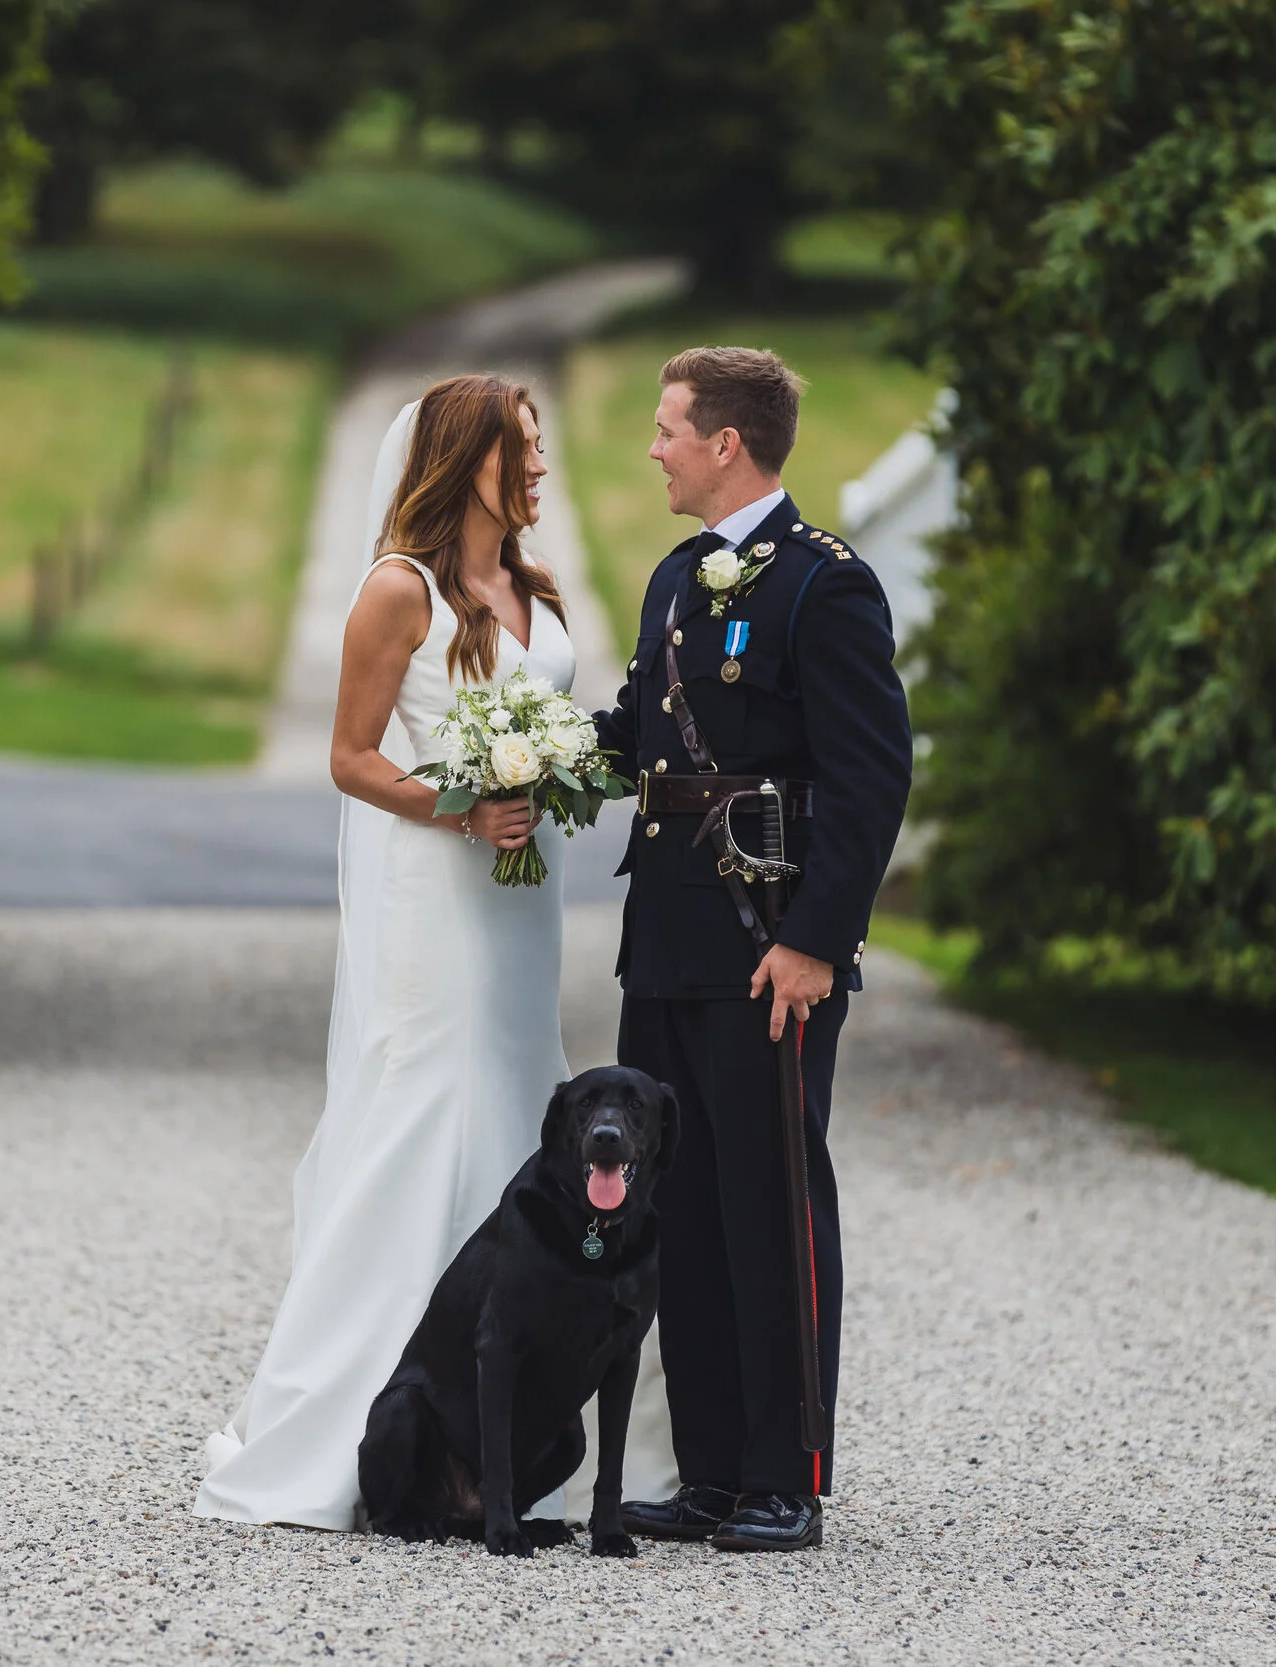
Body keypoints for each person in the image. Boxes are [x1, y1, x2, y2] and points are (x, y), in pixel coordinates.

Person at [196, 374, 671, 1530]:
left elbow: (554, 726)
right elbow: (352, 756)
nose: (542, 468)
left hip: (519, 899)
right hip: (436, 892)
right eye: (524, 448)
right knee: (427, 1106)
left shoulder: (531, 585)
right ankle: (370, 1419)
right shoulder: (396, 591)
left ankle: (506, 1410)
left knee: (519, 1103)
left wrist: (554, 778)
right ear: (468, 461)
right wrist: (462, 810)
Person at [594, 347, 911, 1553]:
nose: (656, 447)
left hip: (769, 943)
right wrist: (510, 753)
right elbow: (640, 736)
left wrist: (818, 941)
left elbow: (872, 776)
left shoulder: (827, 586)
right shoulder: (676, 577)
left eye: (668, 427)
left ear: (726, 442)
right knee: (685, 1207)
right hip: (666, 938)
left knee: (772, 1205)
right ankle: (715, 1472)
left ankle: (787, 1474)